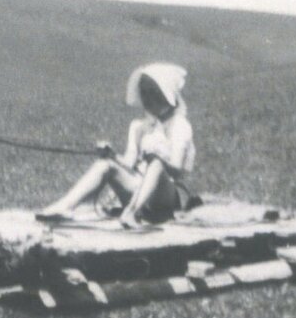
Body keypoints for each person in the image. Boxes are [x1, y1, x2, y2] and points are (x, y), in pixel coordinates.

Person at [37, 61, 199, 228]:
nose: (146, 98)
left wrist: (157, 160)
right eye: (143, 93)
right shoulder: (139, 127)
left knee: (157, 164)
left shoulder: (180, 126)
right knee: (105, 164)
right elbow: (129, 163)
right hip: (137, 187)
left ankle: (132, 213)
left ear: (166, 94)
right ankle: (65, 207)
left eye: (152, 92)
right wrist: (112, 155)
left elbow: (177, 170)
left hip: (164, 198)